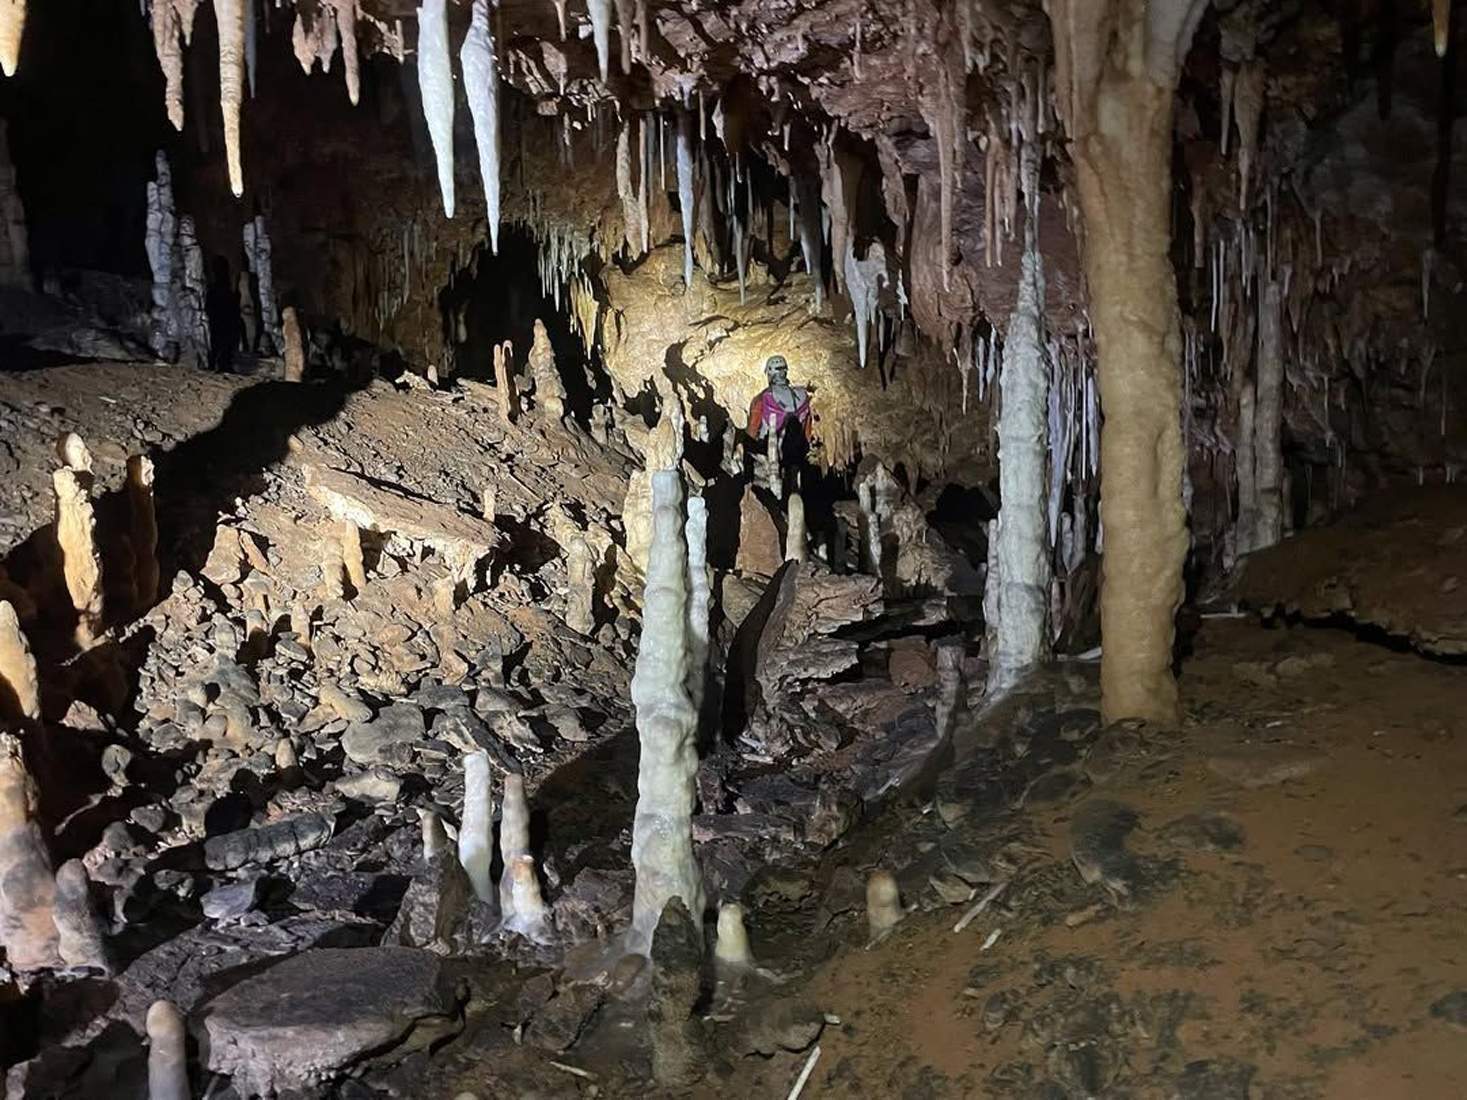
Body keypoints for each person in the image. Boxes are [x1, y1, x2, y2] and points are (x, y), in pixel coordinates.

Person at [745, 354, 813, 442]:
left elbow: (752, 430)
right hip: (799, 449)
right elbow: (807, 430)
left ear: (769, 373)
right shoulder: (803, 395)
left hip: (770, 448)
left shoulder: (762, 398)